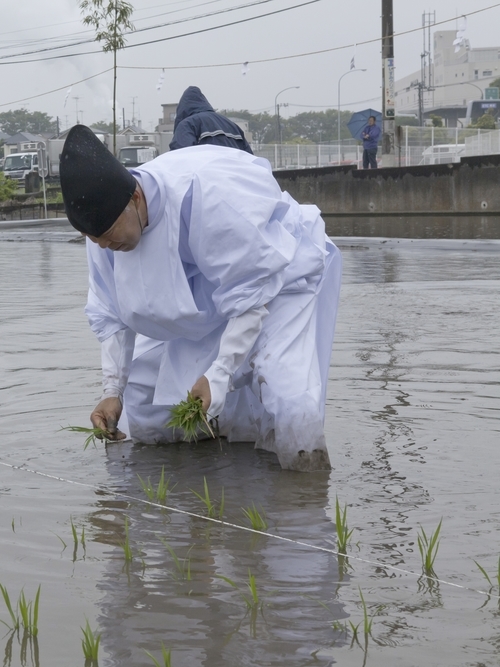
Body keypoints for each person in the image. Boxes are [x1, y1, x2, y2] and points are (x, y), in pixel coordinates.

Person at [60, 125, 341, 472]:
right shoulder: (104, 237)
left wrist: (219, 373)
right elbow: (111, 316)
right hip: (204, 300)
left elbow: (251, 294)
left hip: (277, 275)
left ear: (135, 199)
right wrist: (112, 391)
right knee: (147, 409)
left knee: (288, 396)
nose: (103, 245)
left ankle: (305, 494)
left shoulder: (207, 194)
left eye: (106, 233)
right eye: (92, 238)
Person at [169, 86, 253, 154]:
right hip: (235, 170)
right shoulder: (233, 126)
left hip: (206, 170)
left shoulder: (187, 125)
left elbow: (180, 156)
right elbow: (250, 159)